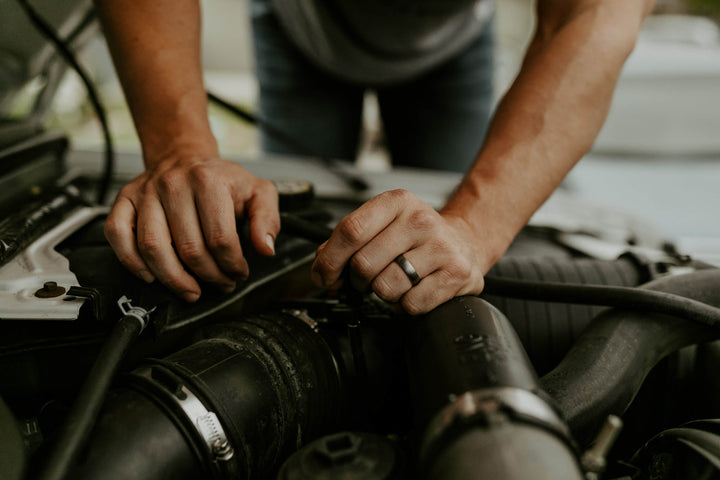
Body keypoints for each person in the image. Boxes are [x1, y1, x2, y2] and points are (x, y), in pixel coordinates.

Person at [95, 0, 655, 314]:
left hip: (452, 41)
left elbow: (597, 15)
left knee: (448, 265)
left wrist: (473, 228)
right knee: (288, 247)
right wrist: (180, 150)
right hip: (301, 28)